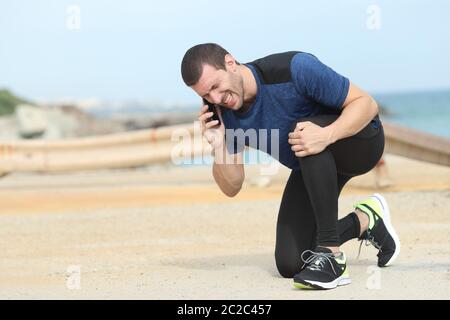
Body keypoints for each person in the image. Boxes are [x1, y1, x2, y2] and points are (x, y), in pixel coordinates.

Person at [180, 43, 400, 290]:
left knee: (303, 132)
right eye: (206, 95)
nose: (217, 99)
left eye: (216, 86)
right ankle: (365, 220)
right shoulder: (224, 114)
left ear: (230, 63)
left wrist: (327, 135)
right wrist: (219, 145)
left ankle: (331, 256)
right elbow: (232, 186)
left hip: (361, 142)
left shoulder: (294, 69)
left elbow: (367, 104)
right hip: (312, 165)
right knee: (291, 262)